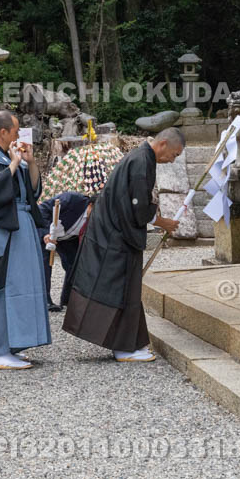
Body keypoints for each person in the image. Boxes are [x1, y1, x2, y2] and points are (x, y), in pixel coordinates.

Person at [62, 128, 184, 362]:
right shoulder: (141, 162)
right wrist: (162, 222)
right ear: (163, 144)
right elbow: (138, 206)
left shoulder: (142, 158)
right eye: (174, 154)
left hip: (113, 230)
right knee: (120, 287)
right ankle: (124, 348)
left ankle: (129, 344)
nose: (173, 160)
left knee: (123, 287)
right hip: (116, 234)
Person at [0, 111, 51, 370]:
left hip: (23, 223)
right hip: (5, 228)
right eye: (16, 130)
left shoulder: (9, 157)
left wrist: (30, 162)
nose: (18, 135)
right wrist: (15, 165)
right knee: (4, 284)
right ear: (3, 132)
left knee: (25, 283)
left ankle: (15, 345)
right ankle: (0, 350)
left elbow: (32, 192)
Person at [37, 191, 94, 312]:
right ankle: (45, 300)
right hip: (48, 232)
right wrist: (47, 232)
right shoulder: (73, 200)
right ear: (91, 205)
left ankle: (67, 299)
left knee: (74, 264)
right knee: (45, 263)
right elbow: (42, 209)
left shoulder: (94, 220)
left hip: (67, 238)